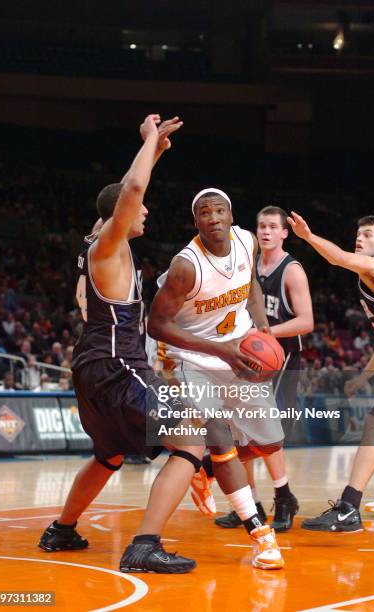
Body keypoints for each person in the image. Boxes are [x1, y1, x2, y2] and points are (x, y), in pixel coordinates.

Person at [39, 114, 211, 574]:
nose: (147, 211)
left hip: (93, 366)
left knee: (108, 454)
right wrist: (148, 140)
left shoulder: (99, 240)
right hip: (118, 364)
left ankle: (61, 529)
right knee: (194, 440)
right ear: (122, 214)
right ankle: (145, 545)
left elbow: (126, 193)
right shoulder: (109, 244)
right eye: (142, 207)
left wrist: (154, 151)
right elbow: (131, 193)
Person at [148, 188, 285, 569]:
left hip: (237, 346)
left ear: (230, 215)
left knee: (271, 442)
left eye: (219, 210)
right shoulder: (186, 266)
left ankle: (203, 469)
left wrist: (263, 327)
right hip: (187, 357)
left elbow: (252, 286)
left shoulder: (247, 241)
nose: (213, 218)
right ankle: (261, 535)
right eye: (205, 213)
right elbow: (156, 325)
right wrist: (220, 351)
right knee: (220, 438)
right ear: (197, 222)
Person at [288, 212, 374, 531]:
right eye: (358, 233)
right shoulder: (372, 278)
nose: (359, 238)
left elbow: (337, 258)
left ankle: (349, 507)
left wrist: (308, 236)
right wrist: (362, 377)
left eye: (367, 234)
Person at [215, 205, 313, 531]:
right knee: (239, 436)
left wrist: (265, 333)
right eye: (262, 226)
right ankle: (250, 505)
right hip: (248, 361)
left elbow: (306, 321)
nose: (266, 231)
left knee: (269, 434)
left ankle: (284, 497)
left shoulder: (292, 270)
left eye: (273, 226)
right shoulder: (248, 265)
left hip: (282, 360)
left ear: (285, 233)